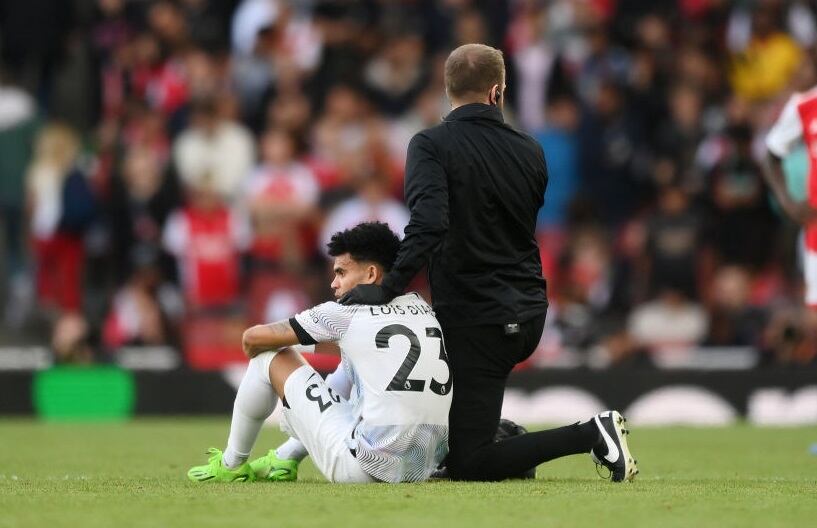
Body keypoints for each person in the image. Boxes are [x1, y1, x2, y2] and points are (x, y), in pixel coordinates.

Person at [340, 44, 637, 482]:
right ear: (497, 91)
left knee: (470, 462)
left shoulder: (429, 145)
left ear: (447, 90)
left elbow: (428, 225)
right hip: (528, 309)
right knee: (459, 440)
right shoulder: (530, 149)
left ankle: (592, 433)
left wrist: (388, 287)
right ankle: (506, 439)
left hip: (477, 317)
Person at [187, 222, 452, 483]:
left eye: (341, 273)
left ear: (371, 274)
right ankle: (283, 457)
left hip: (364, 468)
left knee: (267, 357)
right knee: (351, 365)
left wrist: (299, 342)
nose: (334, 283)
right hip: (422, 468)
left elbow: (252, 339)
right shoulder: (423, 308)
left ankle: (231, 464)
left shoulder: (346, 314)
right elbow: (361, 349)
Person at [763, 50, 817, 308]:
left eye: (804, 66)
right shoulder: (804, 105)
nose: (798, 73)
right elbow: (771, 155)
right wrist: (789, 202)